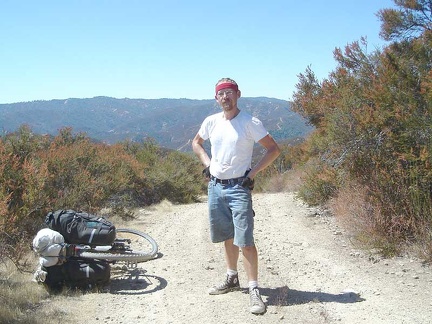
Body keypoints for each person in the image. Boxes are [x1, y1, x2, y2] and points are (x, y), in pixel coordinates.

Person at [192, 77, 281, 315]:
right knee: (227, 236)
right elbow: (196, 142)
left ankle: (254, 289)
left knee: (246, 241)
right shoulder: (211, 122)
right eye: (221, 94)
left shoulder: (250, 122)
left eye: (229, 93)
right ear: (216, 98)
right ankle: (232, 278)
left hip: (239, 187)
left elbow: (274, 149)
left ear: (238, 94)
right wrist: (207, 163)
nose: (225, 97)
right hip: (216, 187)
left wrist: (253, 172)